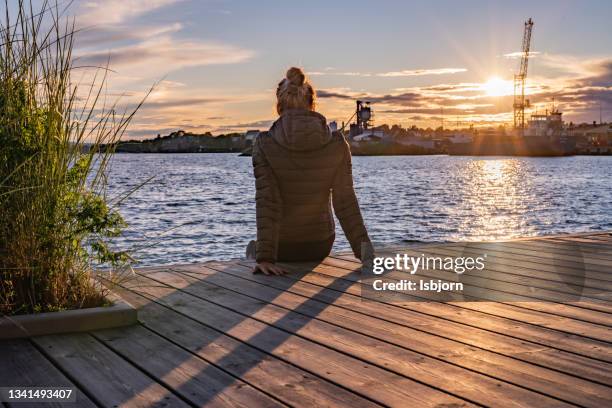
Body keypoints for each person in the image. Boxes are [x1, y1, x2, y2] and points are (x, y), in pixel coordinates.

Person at [247, 67, 371, 275]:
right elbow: (345, 202)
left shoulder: (264, 144)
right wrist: (368, 256)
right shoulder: (337, 144)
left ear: (278, 106)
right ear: (312, 104)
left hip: (282, 249)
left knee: (252, 247)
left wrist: (266, 258)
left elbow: (267, 202)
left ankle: (260, 252)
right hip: (320, 244)